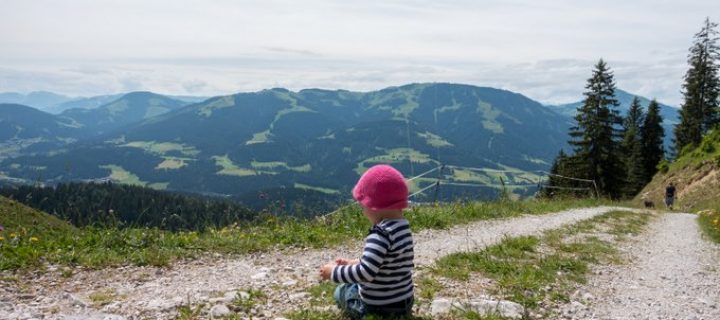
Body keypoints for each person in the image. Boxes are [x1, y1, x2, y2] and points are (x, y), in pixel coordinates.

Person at [319, 164, 414, 319]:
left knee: (342, 291)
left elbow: (365, 273)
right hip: (404, 303)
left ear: (374, 206)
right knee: (352, 283)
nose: (363, 211)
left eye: (363, 206)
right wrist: (352, 262)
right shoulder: (404, 227)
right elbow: (387, 261)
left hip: (378, 308)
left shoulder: (380, 234)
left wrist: (333, 273)